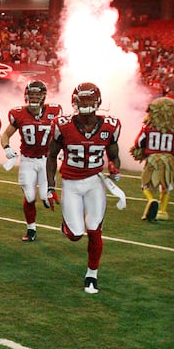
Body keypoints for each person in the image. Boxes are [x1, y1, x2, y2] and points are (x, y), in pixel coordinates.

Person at [47, 82, 122, 294]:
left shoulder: (110, 126)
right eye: (82, 100)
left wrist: (114, 167)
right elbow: (52, 156)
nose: (86, 104)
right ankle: (68, 226)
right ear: (75, 102)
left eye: (90, 100)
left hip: (95, 182)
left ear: (97, 101)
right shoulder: (62, 124)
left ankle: (91, 275)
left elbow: (114, 154)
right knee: (75, 235)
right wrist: (50, 187)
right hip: (71, 182)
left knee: (94, 230)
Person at [0, 80, 63, 241]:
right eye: (32, 94)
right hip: (27, 160)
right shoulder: (18, 113)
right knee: (29, 196)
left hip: (46, 161)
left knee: (45, 198)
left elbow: (63, 134)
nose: (34, 97)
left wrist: (63, 151)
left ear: (43, 96)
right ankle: (31, 229)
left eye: (37, 94)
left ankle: (64, 215)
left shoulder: (54, 111)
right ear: (26, 95)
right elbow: (6, 134)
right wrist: (7, 147)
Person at [130, 96, 174, 221]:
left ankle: (151, 200)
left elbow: (138, 142)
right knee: (166, 185)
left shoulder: (148, 128)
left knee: (146, 184)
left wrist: (141, 150)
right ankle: (163, 211)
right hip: (169, 160)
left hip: (153, 159)